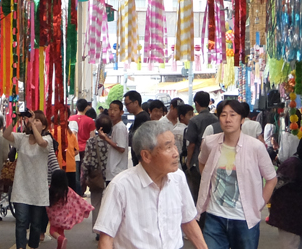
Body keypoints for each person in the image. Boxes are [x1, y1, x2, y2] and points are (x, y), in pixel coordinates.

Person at [94, 120, 209, 249]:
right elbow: (107, 238)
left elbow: (188, 221)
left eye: (174, 146)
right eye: (168, 147)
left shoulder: (178, 178)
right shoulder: (121, 186)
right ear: (146, 156)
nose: (176, 153)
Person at [197, 100, 278, 249]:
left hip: (244, 219)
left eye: (233, 115)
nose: (228, 119)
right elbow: (202, 162)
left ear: (242, 120)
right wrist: (209, 180)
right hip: (215, 216)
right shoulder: (210, 143)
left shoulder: (256, 147)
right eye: (223, 115)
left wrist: (260, 203)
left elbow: (271, 178)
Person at [3, 111, 54, 249]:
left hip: (38, 189)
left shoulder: (48, 140)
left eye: (38, 121)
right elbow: (6, 135)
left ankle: (33, 246)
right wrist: (14, 120)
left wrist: (31, 123)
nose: (34, 122)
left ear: (43, 126)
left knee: (36, 224)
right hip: (21, 187)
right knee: (21, 221)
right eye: (33, 120)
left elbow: (41, 142)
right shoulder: (22, 139)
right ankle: (21, 247)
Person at [266, 133, 302, 249]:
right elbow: (275, 185)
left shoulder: (301, 164)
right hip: (288, 218)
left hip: (295, 219)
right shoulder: (293, 165)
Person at [46, 157, 93, 249]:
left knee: (52, 231)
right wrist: (87, 207)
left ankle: (60, 240)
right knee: (61, 231)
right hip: (63, 217)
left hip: (54, 218)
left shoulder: (50, 190)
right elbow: (78, 200)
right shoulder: (67, 191)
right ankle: (61, 244)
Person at [185, 92, 219, 201]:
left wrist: (188, 161)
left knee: (197, 193)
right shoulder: (216, 119)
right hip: (214, 160)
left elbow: (192, 144)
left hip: (197, 161)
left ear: (196, 103)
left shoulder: (194, 120)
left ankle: (198, 216)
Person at [82, 115, 111, 229]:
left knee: (96, 203)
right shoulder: (112, 140)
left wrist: (84, 176)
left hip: (96, 176)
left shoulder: (92, 141)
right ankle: (108, 228)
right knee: (109, 204)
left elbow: (87, 160)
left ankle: (98, 229)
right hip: (110, 175)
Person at [52, 107, 79, 192]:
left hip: (57, 166)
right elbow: (77, 150)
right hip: (71, 166)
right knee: (71, 193)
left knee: (59, 192)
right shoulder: (71, 134)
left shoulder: (53, 133)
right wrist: (69, 155)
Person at [102, 101, 129, 183]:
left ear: (121, 112)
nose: (112, 112)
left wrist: (106, 139)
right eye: (110, 109)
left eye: (115, 110)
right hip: (114, 171)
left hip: (116, 171)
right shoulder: (116, 126)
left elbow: (121, 148)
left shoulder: (120, 127)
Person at [123, 91, 149, 165]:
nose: (126, 107)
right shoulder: (139, 116)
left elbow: (141, 140)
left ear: (136, 103)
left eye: (128, 104)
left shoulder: (142, 117)